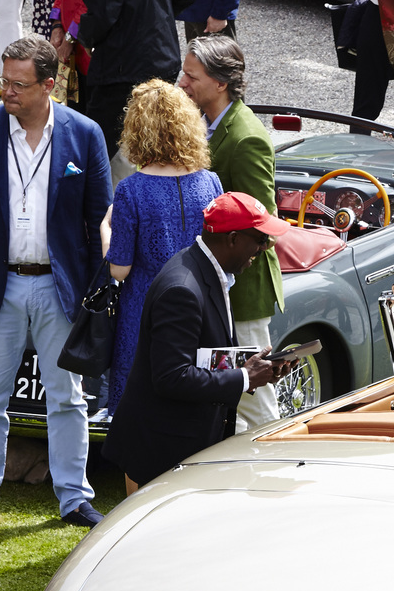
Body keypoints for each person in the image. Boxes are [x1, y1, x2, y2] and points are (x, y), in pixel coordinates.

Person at [0, 36, 113, 540]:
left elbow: (99, 219)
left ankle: (73, 497)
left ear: (49, 83)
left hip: (60, 290)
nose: (6, 91)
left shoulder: (84, 134)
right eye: (4, 80)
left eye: (18, 84)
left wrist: (98, 292)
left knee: (68, 398)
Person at [101, 191, 289, 491]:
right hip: (162, 453)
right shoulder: (183, 290)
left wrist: (255, 368)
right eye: (259, 239)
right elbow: (172, 376)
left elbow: (200, 353)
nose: (264, 248)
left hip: (181, 443)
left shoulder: (206, 269)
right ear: (233, 239)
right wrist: (243, 377)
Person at [179, 36, 284, 430]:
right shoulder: (201, 121)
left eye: (191, 76)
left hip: (242, 291)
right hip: (214, 283)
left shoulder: (247, 137)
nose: (182, 83)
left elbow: (262, 224)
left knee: (255, 396)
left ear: (220, 83)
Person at [103, 80, 222, 414]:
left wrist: (103, 229)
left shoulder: (130, 190)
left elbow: (119, 268)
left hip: (144, 310)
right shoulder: (210, 182)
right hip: (200, 308)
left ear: (137, 130)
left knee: (140, 410)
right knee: (193, 400)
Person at [74, 0, 198, 161]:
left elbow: (99, 16)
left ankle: (102, 200)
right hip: (163, 62)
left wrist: (84, 38)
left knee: (102, 149)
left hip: (122, 71)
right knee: (156, 141)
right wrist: (156, 14)